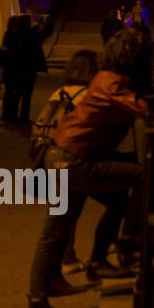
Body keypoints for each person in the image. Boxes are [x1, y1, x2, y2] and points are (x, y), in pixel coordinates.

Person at [26, 29, 154, 308]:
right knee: (142, 177)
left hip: (62, 156)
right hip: (72, 161)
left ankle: (53, 282)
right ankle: (124, 243)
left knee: (62, 225)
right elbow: (143, 109)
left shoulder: (104, 77)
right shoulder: (112, 83)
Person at [30, 50, 98, 282]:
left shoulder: (57, 93)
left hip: (49, 155)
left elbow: (39, 123)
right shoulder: (87, 96)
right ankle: (66, 259)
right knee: (67, 214)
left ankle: (62, 263)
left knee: (58, 210)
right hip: (70, 156)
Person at [0, 14, 53, 125]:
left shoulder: (12, 33)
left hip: (15, 67)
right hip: (28, 67)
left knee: (15, 92)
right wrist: (47, 23)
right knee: (25, 93)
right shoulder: (30, 34)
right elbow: (45, 34)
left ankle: (9, 115)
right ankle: (22, 116)